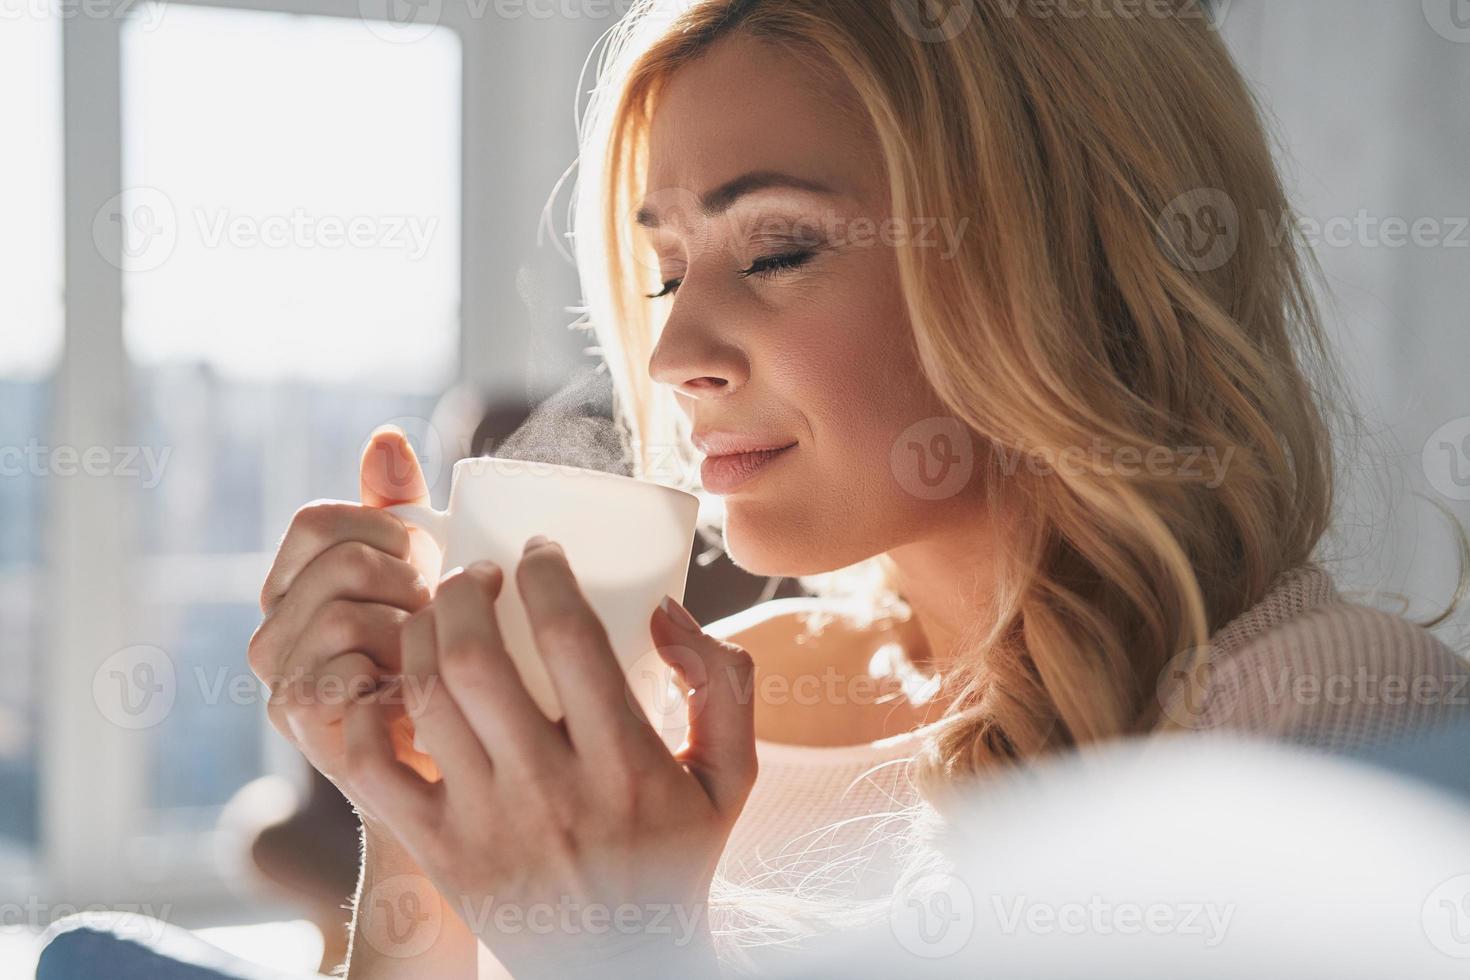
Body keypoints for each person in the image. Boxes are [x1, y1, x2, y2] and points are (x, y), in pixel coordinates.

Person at [40, 1, 1470, 977]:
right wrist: (412, 823)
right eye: (662, 267)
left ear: (1065, 262)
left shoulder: (1325, 726)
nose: (669, 352)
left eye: (775, 249)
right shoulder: (732, 692)